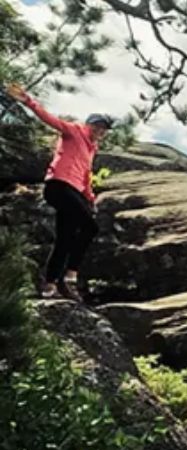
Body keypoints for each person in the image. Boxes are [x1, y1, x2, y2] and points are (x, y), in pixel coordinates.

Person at [5, 84, 112, 302]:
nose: (100, 130)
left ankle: (51, 284)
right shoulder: (74, 131)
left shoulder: (92, 149)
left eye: (104, 128)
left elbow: (85, 175)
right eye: (97, 126)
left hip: (74, 192)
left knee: (64, 239)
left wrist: (90, 198)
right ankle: (71, 275)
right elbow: (49, 119)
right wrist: (28, 101)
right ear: (89, 124)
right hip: (58, 186)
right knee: (91, 227)